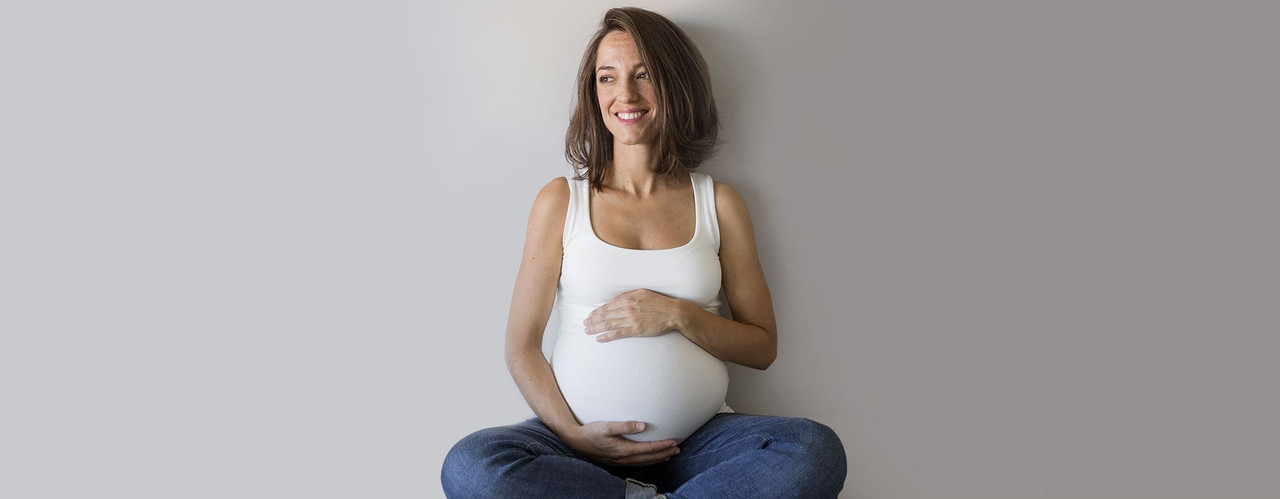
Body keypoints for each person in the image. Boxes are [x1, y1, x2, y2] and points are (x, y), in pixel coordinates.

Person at [441, 7, 846, 498]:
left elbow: (762, 348)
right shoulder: (561, 201)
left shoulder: (718, 202)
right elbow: (521, 346)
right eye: (606, 78)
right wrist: (574, 435)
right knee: (472, 465)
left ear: (674, 84)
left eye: (643, 75)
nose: (624, 95)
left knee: (813, 449)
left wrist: (676, 315)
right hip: (577, 451)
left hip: (697, 447)